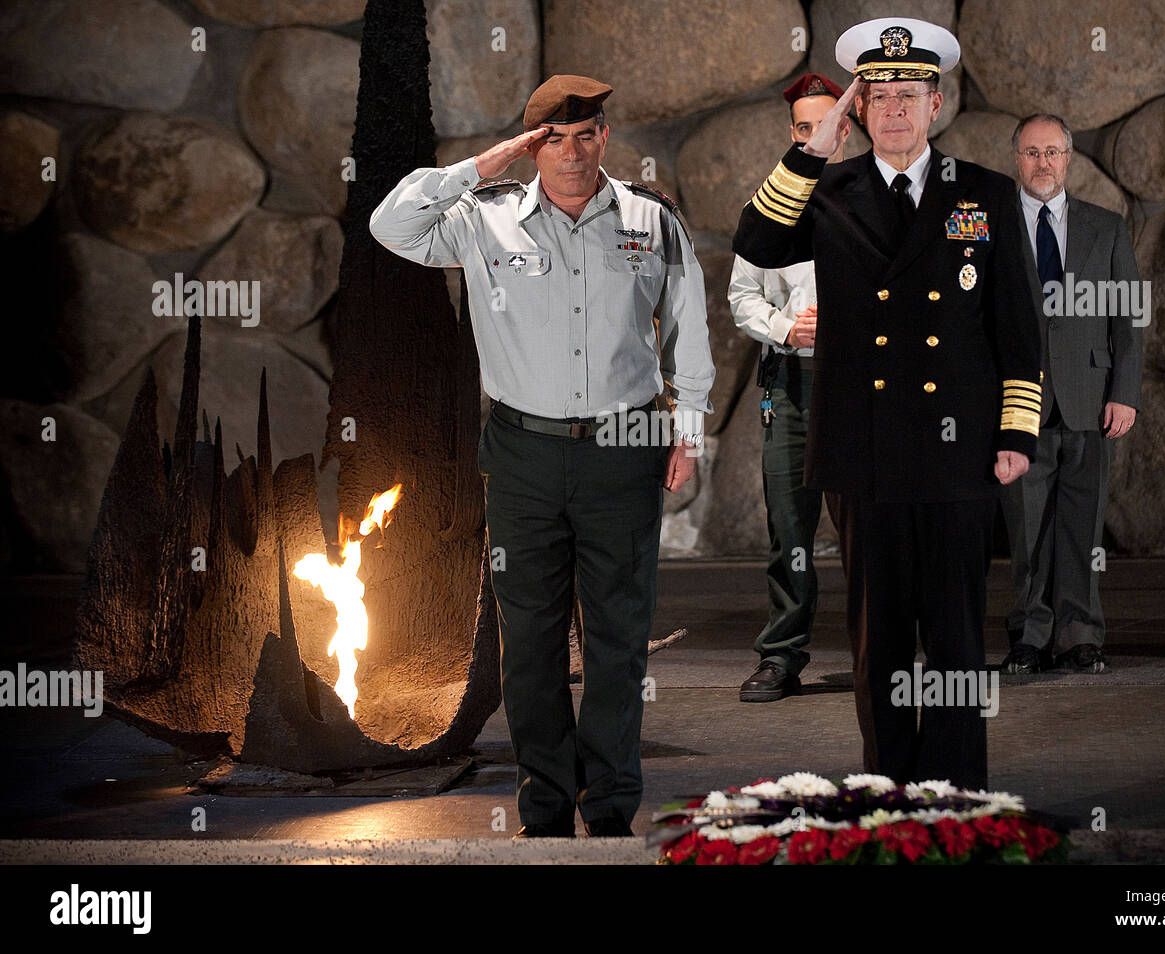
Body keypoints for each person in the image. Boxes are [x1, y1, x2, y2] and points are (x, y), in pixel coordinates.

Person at [369, 74, 714, 837]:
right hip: (523, 453)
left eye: (585, 135)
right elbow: (390, 225)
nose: (570, 152)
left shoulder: (650, 222)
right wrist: (483, 165)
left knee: (619, 639)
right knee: (527, 644)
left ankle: (614, 809)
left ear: (605, 138)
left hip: (626, 449)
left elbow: (688, 323)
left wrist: (686, 429)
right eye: (551, 139)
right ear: (530, 147)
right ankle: (546, 812)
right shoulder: (481, 220)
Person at [732, 18, 1041, 790]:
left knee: (957, 641)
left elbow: (1016, 326)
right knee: (878, 645)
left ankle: (958, 793)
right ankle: (892, 792)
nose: (896, 108)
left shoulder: (985, 194)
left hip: (959, 453)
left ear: (936, 105)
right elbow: (758, 243)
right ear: (859, 111)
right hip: (866, 455)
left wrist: (1015, 432)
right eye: (879, 96)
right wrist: (811, 148)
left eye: (910, 94)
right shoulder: (827, 189)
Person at [1000, 114, 1143, 675]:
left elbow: (1129, 317)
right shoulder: (994, 228)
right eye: (1032, 153)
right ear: (1018, 158)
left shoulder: (1106, 228)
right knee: (1027, 527)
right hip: (1020, 402)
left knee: (1083, 525)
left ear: (1068, 158)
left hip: (1091, 395)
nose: (1042, 164)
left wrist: (1125, 392)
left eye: (1053, 153)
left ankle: (1080, 633)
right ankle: (1030, 636)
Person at [729, 73, 849, 702]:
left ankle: (883, 651)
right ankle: (780, 655)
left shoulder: (866, 194)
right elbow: (740, 295)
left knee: (870, 523)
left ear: (845, 128)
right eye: (804, 128)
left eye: (825, 125)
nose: (815, 136)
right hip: (792, 382)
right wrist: (786, 329)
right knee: (790, 529)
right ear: (794, 133)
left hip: (861, 383)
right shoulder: (772, 203)